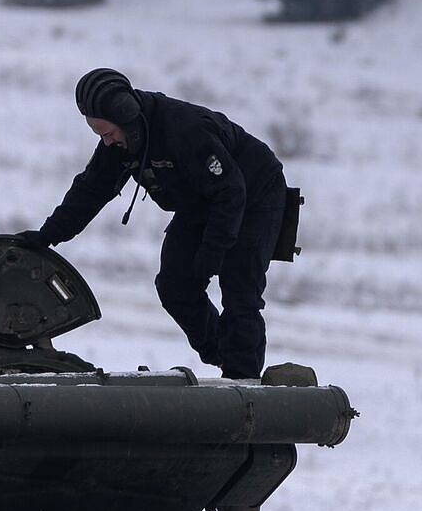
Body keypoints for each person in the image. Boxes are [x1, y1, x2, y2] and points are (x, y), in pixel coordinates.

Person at [19, 69, 288, 380]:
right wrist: (49, 235)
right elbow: (90, 191)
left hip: (252, 195)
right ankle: (224, 352)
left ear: (126, 116)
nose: (107, 142)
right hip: (200, 202)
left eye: (109, 133)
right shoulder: (121, 144)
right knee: (175, 286)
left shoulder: (185, 131)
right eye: (100, 135)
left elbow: (231, 192)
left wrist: (213, 253)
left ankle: (243, 380)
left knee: (239, 287)